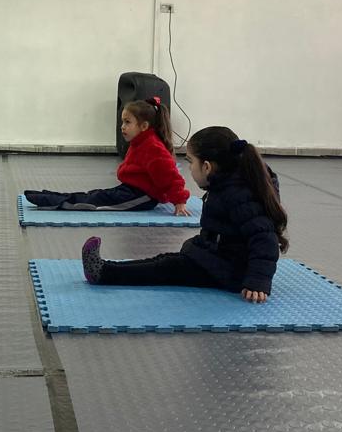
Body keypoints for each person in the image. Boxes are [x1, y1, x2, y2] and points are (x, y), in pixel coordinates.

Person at [80, 126, 287, 303]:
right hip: (220, 257)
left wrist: (258, 282)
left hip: (229, 270)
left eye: (190, 162)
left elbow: (264, 239)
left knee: (164, 269)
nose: (189, 168)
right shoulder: (228, 183)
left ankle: (103, 272)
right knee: (165, 262)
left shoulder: (238, 195)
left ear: (207, 167)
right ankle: (105, 268)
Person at [24, 97, 190, 215]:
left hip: (141, 197)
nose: (122, 127)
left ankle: (51, 201)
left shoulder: (153, 148)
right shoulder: (141, 142)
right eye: (122, 122)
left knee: (94, 203)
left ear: (144, 126)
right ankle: (49, 196)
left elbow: (171, 177)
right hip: (130, 191)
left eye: (127, 122)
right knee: (94, 195)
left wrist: (179, 202)